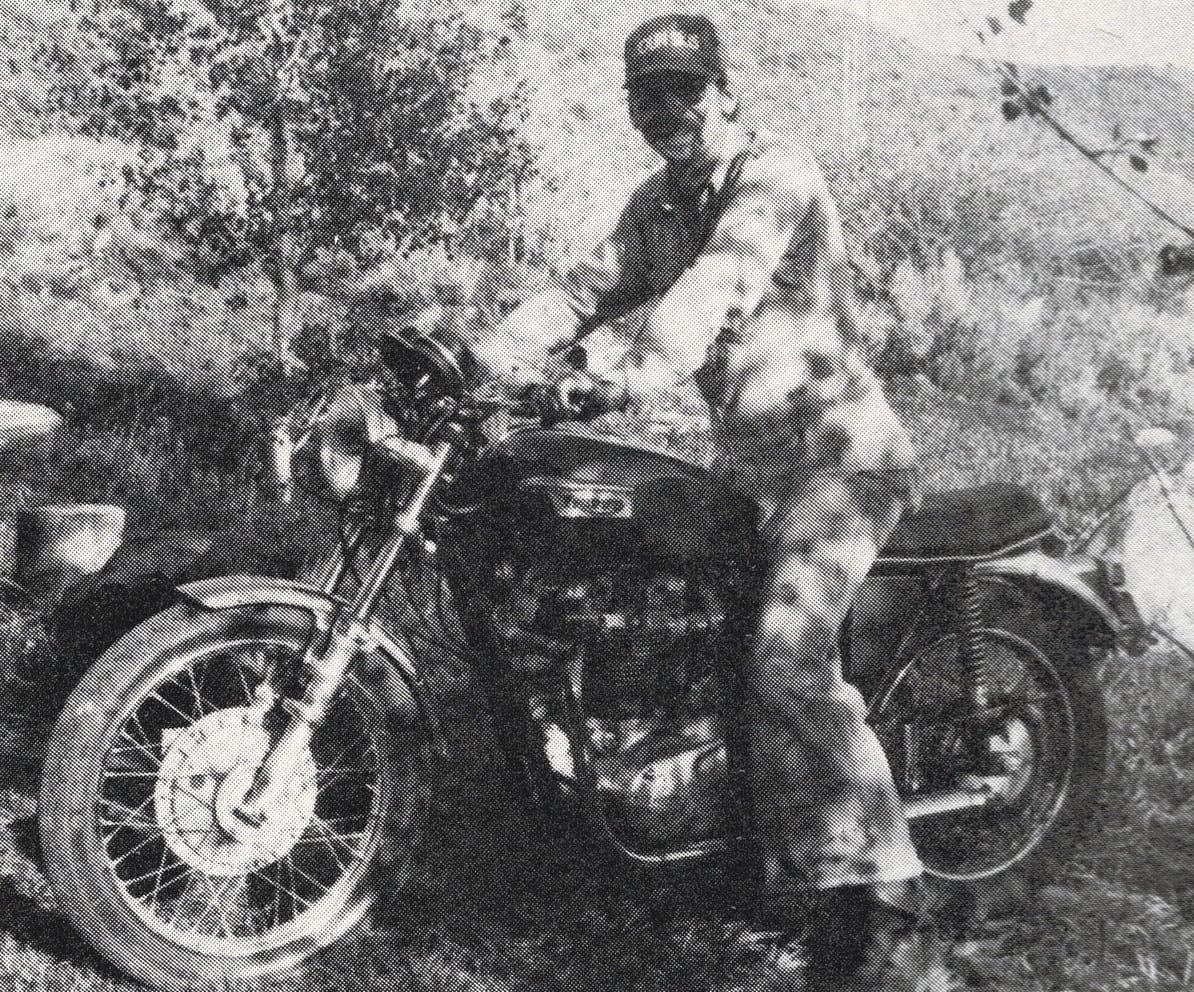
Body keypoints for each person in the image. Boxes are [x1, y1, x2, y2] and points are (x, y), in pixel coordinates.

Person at [471, 13, 946, 991]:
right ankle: (743, 845)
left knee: (784, 662)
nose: (667, 112)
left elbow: (715, 286)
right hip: (747, 469)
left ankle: (896, 905)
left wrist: (624, 371)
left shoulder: (775, 175)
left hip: (839, 457)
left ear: (725, 92)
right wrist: (476, 360)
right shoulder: (655, 204)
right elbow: (579, 290)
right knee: (673, 635)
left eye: (684, 91)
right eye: (648, 97)